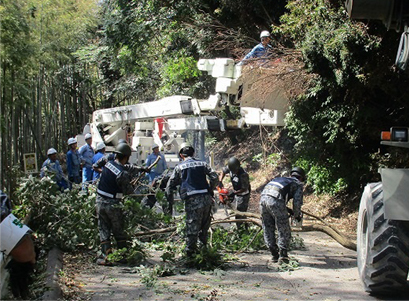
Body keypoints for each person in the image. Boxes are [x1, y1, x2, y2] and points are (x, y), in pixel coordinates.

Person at [166, 143, 218, 258]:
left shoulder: (179, 167)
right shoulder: (203, 164)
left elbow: (170, 186)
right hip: (206, 199)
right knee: (204, 229)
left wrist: (170, 203)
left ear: (181, 155)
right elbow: (214, 177)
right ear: (193, 153)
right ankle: (205, 254)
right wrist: (210, 189)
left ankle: (190, 256)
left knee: (192, 230)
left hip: (193, 201)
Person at [95, 143, 138, 265]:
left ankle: (105, 256)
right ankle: (122, 255)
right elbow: (129, 192)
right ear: (126, 157)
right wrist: (132, 185)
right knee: (118, 230)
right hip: (113, 204)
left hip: (99, 201)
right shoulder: (122, 173)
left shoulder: (108, 164)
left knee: (103, 229)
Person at [260, 167, 306, 264]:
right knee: (283, 228)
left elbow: (273, 195)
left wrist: (287, 210)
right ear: (301, 178)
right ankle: (283, 255)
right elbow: (297, 203)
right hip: (276, 200)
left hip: (263, 199)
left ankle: (274, 254)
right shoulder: (298, 184)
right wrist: (296, 215)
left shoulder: (280, 179)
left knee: (268, 227)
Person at [219, 157, 251, 229]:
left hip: (243, 194)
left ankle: (241, 230)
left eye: (236, 170)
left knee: (239, 214)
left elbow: (244, 188)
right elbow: (223, 171)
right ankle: (245, 227)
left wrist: (234, 193)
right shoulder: (230, 168)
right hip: (236, 191)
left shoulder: (243, 175)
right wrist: (220, 181)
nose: (235, 172)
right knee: (240, 213)